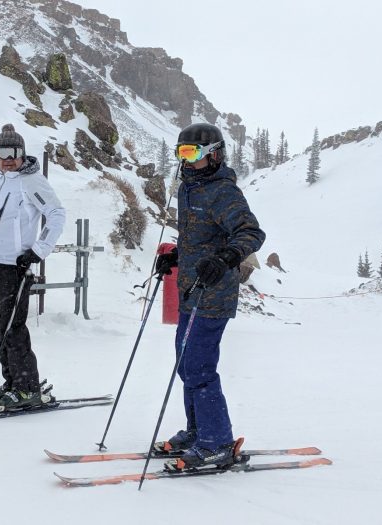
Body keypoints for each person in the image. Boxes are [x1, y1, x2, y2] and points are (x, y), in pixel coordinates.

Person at [154, 123, 266, 469]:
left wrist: (226, 258)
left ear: (213, 154)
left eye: (192, 153)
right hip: (190, 290)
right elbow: (199, 237)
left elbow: (251, 233)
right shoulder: (189, 189)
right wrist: (176, 255)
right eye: (180, 153)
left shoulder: (222, 191)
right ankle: (198, 429)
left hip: (214, 294)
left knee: (200, 367)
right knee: (186, 364)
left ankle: (217, 442)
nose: (185, 161)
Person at [0, 124, 65, 411]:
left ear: (23, 154)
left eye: (15, 152)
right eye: (3, 152)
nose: (9, 158)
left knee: (12, 329)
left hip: (14, 266)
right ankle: (13, 382)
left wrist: (37, 251)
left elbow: (57, 215)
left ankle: (28, 388)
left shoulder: (31, 182)